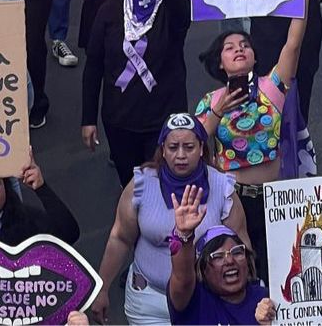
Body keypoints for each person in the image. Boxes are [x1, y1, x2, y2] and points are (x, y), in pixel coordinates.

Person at [194, 0, 314, 275]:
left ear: (254, 56)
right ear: (219, 62)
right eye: (230, 47)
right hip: (234, 203)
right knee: (243, 274)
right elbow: (193, 146)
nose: (239, 49)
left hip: (277, 199)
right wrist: (219, 111)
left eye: (245, 45)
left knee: (284, 271)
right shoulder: (210, 101)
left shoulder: (271, 87)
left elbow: (293, 45)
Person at [89, 113, 249, 326]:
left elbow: (242, 247)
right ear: (162, 149)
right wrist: (101, 288)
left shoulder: (223, 188)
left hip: (205, 300)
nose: (180, 155)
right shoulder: (141, 184)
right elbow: (120, 238)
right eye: (173, 147)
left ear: (201, 148)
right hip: (148, 302)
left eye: (189, 147)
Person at [81, 0, 189, 189]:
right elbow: (94, 65)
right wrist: (88, 118)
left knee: (165, 186)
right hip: (120, 122)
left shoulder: (170, 11)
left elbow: (184, 14)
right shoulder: (109, 10)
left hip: (163, 121)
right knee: (132, 188)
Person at [167, 201, 267, 326]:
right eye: (218, 256)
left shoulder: (265, 298)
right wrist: (184, 235)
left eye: (237, 252)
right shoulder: (194, 300)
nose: (230, 261)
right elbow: (182, 276)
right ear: (202, 269)